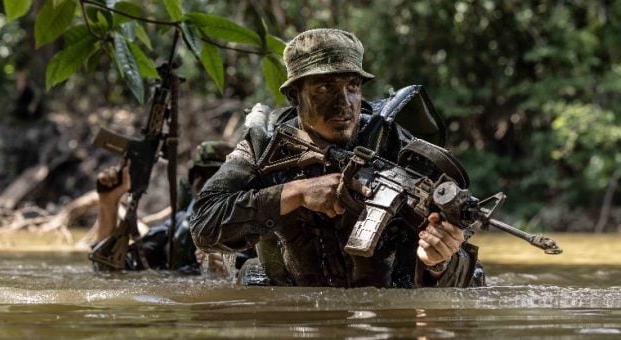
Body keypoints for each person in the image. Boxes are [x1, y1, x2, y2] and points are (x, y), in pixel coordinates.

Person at [190, 28, 485, 288]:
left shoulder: (396, 145)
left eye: (352, 87)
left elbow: (466, 270)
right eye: (324, 88)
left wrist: (439, 262)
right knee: (250, 278)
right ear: (295, 96)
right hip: (292, 315)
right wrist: (295, 193)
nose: (344, 103)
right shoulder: (262, 145)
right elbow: (203, 224)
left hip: (380, 317)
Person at [93, 140, 246, 274]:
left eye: (218, 177)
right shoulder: (176, 229)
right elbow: (108, 268)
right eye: (201, 177)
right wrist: (109, 204)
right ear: (192, 184)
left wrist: (231, 275)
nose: (208, 187)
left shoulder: (258, 231)